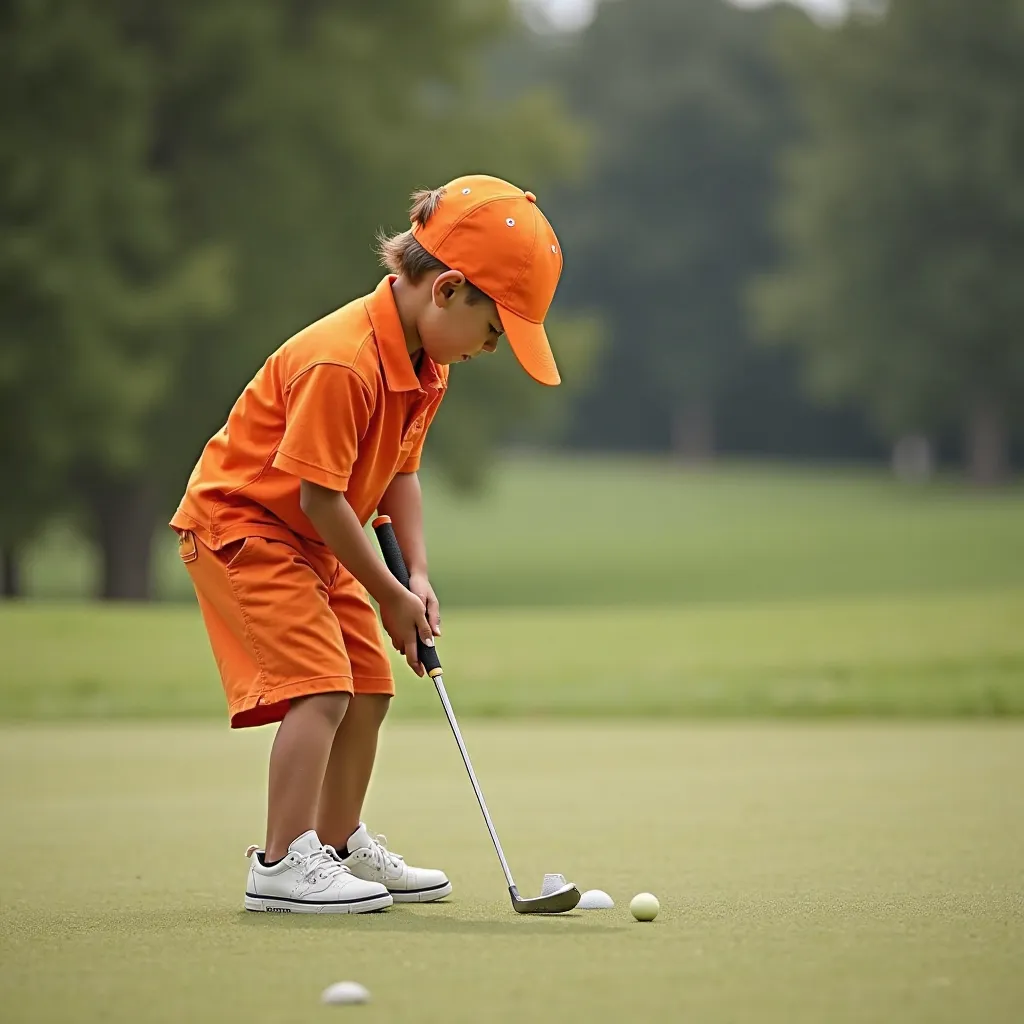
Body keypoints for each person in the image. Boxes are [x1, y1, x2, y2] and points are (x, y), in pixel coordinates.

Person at [170, 174, 563, 913]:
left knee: (370, 688)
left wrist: (413, 573)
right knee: (321, 687)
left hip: (318, 536)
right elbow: (319, 496)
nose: (493, 347)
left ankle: (338, 841)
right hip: (245, 527)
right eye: (495, 329)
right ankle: (281, 865)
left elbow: (398, 472)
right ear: (446, 289)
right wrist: (386, 594)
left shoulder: (428, 364)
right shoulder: (342, 361)